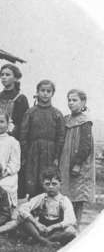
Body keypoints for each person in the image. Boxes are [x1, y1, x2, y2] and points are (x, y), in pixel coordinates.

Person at [0, 64, 28, 198]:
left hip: (10, 142)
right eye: (2, 75)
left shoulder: (20, 98)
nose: (4, 77)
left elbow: (23, 123)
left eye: (7, 75)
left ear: (15, 78)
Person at [20, 80, 65, 198]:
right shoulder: (30, 112)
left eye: (48, 91)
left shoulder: (57, 114)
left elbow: (61, 136)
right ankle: (33, 207)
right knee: (32, 179)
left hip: (50, 151)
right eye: (42, 91)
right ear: (37, 92)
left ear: (52, 93)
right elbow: (23, 134)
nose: (45, 94)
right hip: (33, 151)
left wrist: (56, 155)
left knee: (47, 178)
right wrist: (25, 153)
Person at [59, 89, 95, 226]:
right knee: (64, 192)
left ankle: (75, 225)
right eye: (69, 100)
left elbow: (86, 146)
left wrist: (78, 163)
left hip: (77, 162)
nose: (71, 103)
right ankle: (63, 225)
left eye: (75, 100)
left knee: (77, 194)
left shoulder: (85, 121)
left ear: (83, 102)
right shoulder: (66, 119)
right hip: (65, 161)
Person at [18, 168, 77, 247]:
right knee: (21, 218)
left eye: (54, 184)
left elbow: (71, 219)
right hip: (41, 228)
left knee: (71, 231)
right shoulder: (42, 197)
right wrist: (37, 224)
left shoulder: (64, 200)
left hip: (56, 230)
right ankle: (45, 241)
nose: (51, 187)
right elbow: (23, 208)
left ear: (60, 184)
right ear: (43, 184)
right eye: (47, 184)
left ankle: (39, 239)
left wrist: (53, 227)